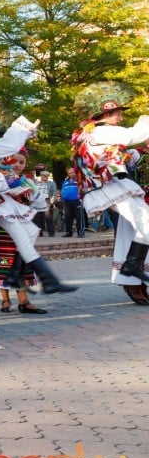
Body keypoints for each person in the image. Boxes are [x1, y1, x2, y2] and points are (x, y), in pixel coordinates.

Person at [0, 110, 76, 296]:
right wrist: (23, 129)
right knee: (23, 238)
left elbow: (5, 149)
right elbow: (7, 146)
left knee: (30, 232)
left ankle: (14, 277)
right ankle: (48, 281)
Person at [71, 81, 149, 297]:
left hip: (111, 185)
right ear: (107, 115)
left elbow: (121, 155)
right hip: (107, 187)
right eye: (118, 114)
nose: (121, 118)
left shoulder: (95, 134)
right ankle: (131, 269)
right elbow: (131, 136)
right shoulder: (102, 131)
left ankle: (132, 267)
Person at [0, 148, 48, 314]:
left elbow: (37, 203)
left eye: (21, 162)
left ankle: (23, 301)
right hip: (2, 228)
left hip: (20, 227)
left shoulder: (27, 182)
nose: (17, 165)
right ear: (7, 160)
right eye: (14, 161)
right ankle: (5, 299)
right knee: (3, 262)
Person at [61, 167, 85, 238]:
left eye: (72, 173)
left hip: (77, 201)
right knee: (67, 218)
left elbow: (83, 189)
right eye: (69, 173)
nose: (71, 174)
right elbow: (63, 190)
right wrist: (62, 198)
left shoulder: (79, 180)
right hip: (67, 202)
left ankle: (80, 233)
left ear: (75, 173)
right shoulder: (65, 181)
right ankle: (69, 232)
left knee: (79, 218)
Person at [32, 170, 57, 237]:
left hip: (47, 202)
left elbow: (54, 194)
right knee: (37, 219)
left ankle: (51, 233)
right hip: (38, 202)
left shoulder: (52, 184)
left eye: (47, 176)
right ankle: (39, 233)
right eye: (44, 176)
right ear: (41, 176)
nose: (46, 177)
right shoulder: (37, 184)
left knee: (48, 218)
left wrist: (51, 203)